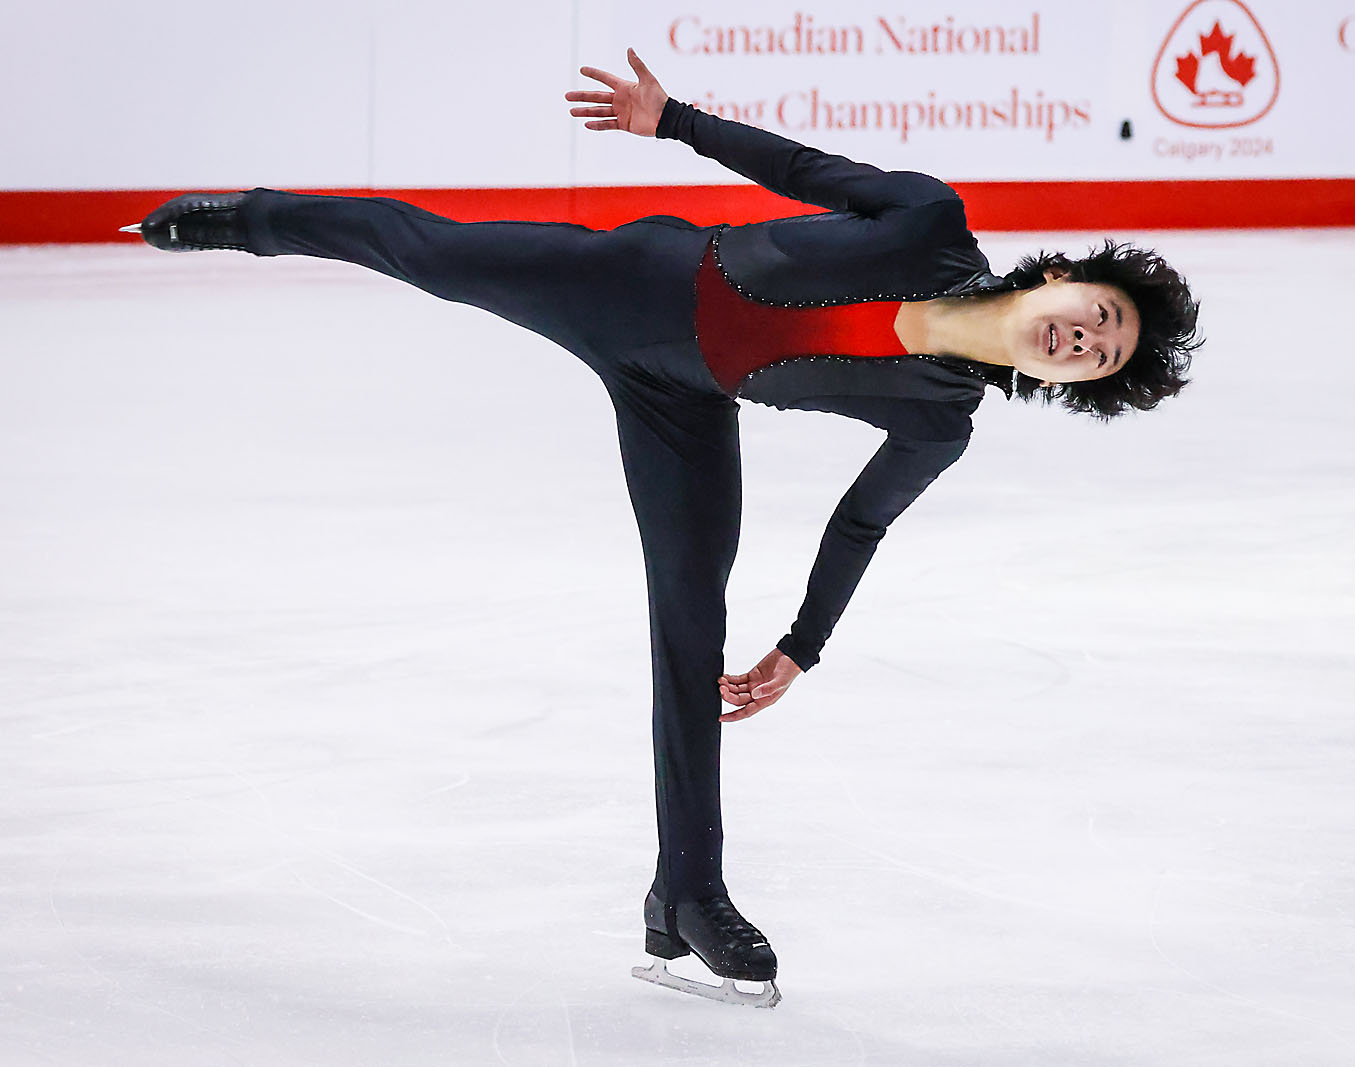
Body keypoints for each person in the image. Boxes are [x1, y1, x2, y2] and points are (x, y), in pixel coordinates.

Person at [128, 48, 1201, 1008]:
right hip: (626, 283)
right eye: (1101, 314)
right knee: (427, 248)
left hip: (682, 403)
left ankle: (685, 891)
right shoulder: (928, 220)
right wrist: (672, 117)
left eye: (1100, 356)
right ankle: (245, 217)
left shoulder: (940, 420)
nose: (1084, 337)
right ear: (1067, 277)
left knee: (689, 627)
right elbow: (802, 170)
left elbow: (858, 524)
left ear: (1075, 383)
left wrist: (801, 645)